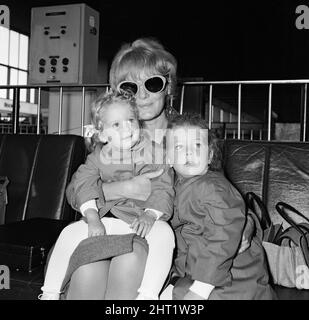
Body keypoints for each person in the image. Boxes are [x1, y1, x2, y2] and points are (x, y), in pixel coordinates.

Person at [64, 37, 255, 299]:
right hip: (110, 228)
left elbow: (224, 195)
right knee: (87, 267)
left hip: (166, 242)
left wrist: (248, 225)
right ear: (118, 93)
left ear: (168, 88)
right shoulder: (113, 134)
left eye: (152, 83)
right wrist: (123, 188)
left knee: (128, 258)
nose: (141, 95)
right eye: (130, 87)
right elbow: (75, 191)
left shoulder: (189, 135)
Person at [40, 91, 175, 300]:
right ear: (102, 134)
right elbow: (81, 184)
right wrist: (93, 217)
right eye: (117, 125)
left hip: (138, 223)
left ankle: (149, 294)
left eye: (131, 120)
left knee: (165, 233)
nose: (128, 128)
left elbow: (163, 186)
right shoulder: (97, 158)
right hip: (104, 219)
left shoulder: (155, 151)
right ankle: (49, 292)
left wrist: (151, 214)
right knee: (69, 233)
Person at [164, 113, 275, 300]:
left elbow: (223, 235)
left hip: (233, 280)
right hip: (203, 276)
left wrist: (201, 288)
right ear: (168, 158)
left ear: (210, 155)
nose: (189, 152)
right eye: (179, 147)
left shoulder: (213, 187)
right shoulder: (178, 185)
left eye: (197, 145)